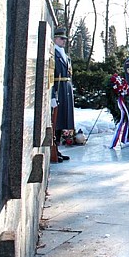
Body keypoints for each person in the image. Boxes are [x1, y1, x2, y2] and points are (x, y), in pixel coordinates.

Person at [51, 27, 74, 163]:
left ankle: (57, 149)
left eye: (65, 39)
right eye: (61, 38)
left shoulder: (65, 55)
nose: (63, 41)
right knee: (56, 121)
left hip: (65, 90)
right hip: (58, 89)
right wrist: (52, 95)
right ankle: (53, 149)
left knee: (61, 121)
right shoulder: (53, 53)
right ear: (55, 39)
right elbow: (50, 75)